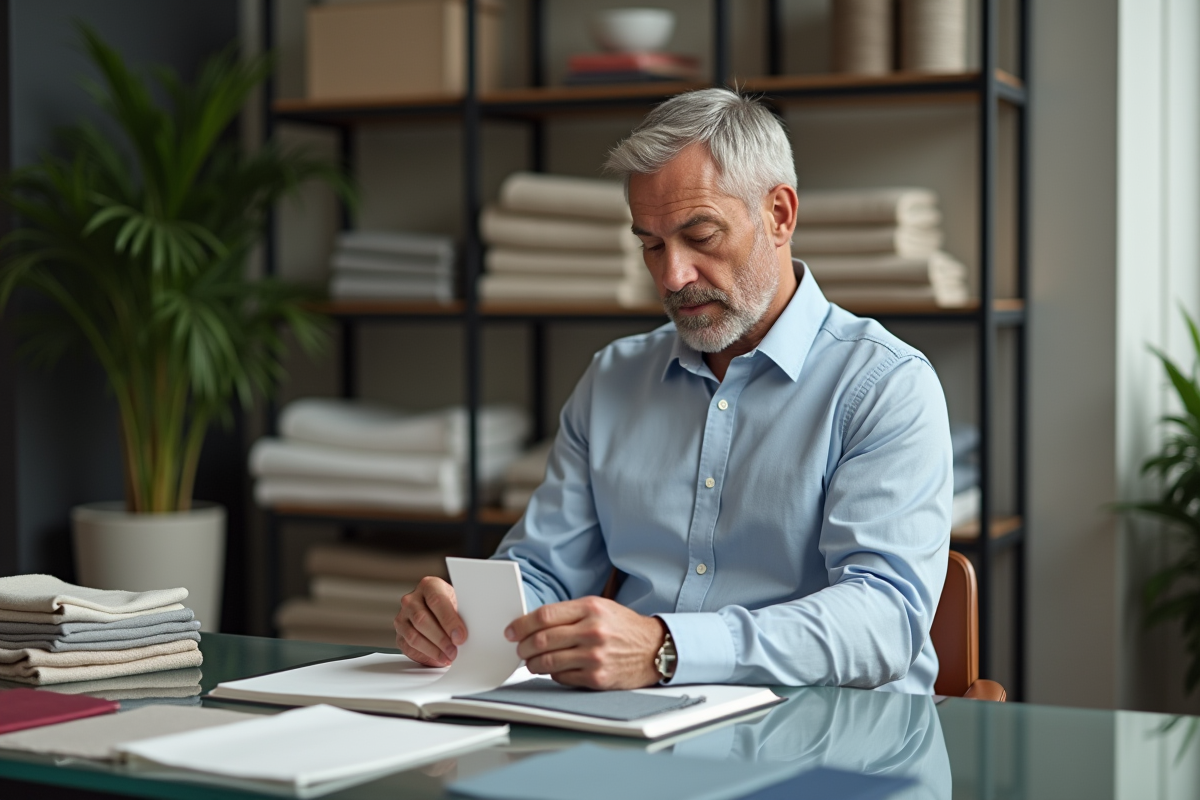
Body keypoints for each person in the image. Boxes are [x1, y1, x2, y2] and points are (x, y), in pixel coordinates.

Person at [393, 88, 953, 693]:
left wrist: (667, 648)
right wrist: (465, 621)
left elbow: (885, 619)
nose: (672, 276)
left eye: (701, 235)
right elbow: (546, 572)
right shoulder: (612, 379)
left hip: (834, 746)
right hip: (640, 738)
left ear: (780, 215)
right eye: (651, 244)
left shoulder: (886, 385)